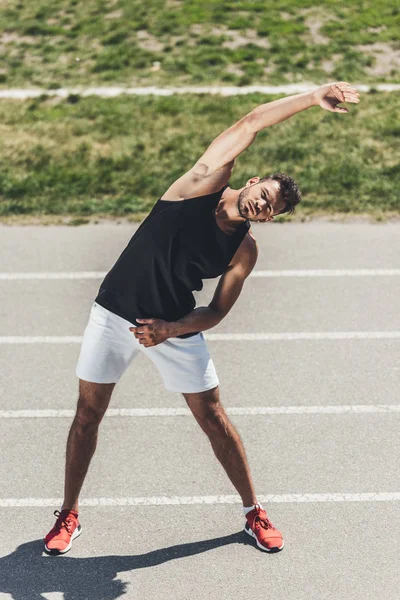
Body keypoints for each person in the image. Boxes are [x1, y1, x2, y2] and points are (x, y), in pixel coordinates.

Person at [44, 81, 360, 555]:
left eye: (272, 208)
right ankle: (68, 513)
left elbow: (214, 311)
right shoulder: (199, 183)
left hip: (173, 327)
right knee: (87, 414)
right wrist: (312, 98)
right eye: (266, 194)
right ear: (253, 182)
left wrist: (170, 329)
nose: (263, 205)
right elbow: (251, 122)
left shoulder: (243, 251)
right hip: (113, 312)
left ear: (271, 217)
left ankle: (254, 511)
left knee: (213, 417)